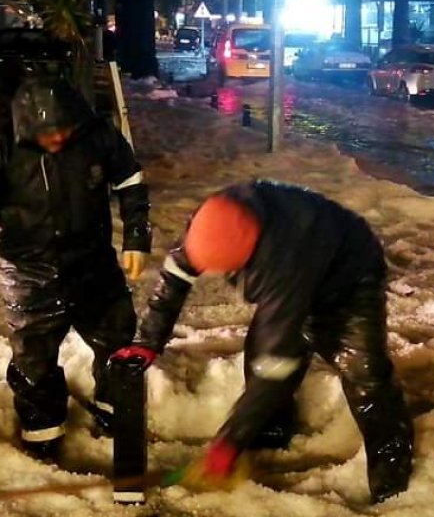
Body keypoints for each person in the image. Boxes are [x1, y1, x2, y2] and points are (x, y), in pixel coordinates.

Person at [109, 180, 413, 504]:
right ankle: (271, 431)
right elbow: (176, 276)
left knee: (365, 374)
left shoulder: (283, 259)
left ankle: (392, 478)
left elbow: (275, 361)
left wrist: (228, 442)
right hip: (299, 265)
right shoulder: (213, 221)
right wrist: (148, 340)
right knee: (261, 355)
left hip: (349, 278)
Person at [0, 75, 151, 462]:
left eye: (64, 131)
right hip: (28, 271)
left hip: (92, 261)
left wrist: (137, 237)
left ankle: (115, 417)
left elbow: (131, 182)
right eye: (47, 134)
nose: (57, 139)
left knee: (117, 339)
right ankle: (42, 439)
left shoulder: (98, 134)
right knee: (34, 360)